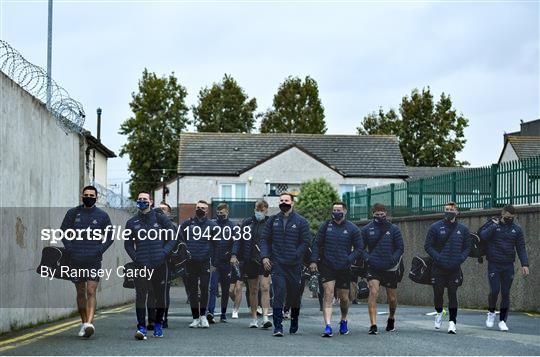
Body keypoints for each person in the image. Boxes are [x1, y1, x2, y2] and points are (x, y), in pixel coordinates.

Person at [60, 185, 114, 338]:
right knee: (80, 292)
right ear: (82, 196)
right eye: (86, 194)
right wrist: (70, 248)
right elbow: (63, 232)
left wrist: (99, 250)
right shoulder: (72, 213)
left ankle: (90, 323)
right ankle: (84, 323)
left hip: (94, 260)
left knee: (91, 291)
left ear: (96, 198)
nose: (88, 197)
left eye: (91, 195)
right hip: (75, 259)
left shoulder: (102, 215)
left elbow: (110, 237)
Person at [125, 192, 177, 339]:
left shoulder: (160, 219)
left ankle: (158, 325)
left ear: (151, 202)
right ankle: (141, 327)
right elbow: (128, 244)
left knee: (160, 297)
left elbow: (172, 238)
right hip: (141, 265)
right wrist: (136, 258)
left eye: (145, 199)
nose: (142, 201)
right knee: (141, 295)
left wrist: (163, 253)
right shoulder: (132, 222)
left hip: (159, 264)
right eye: (139, 199)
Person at [260, 193, 311, 337]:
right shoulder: (272, 220)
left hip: (295, 265)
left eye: (286, 200)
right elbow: (264, 239)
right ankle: (278, 327)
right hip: (278, 264)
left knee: (294, 296)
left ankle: (294, 321)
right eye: (281, 200)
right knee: (279, 294)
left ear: (292, 203)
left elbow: (305, 242)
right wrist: (264, 257)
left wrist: (296, 254)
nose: (284, 203)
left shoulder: (301, 221)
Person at [310, 202, 363, 337]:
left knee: (344, 298)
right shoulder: (325, 226)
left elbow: (359, 248)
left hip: (344, 267)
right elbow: (316, 243)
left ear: (345, 211)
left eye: (338, 210)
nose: (336, 212)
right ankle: (327, 326)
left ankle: (343, 320)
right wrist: (314, 260)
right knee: (328, 293)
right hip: (328, 266)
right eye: (334, 210)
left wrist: (349, 259)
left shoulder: (353, 228)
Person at [480, 204, 529, 331]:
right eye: (507, 217)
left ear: (515, 216)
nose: (509, 219)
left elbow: (521, 248)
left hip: (508, 265)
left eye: (512, 217)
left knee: (506, 293)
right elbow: (483, 236)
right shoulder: (493, 225)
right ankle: (491, 312)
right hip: (494, 264)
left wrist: (525, 264)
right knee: (495, 290)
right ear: (502, 214)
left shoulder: (516, 230)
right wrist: (495, 225)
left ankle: (502, 320)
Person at [424, 202, 471, 334]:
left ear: (457, 212)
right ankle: (439, 312)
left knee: (452, 294)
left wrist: (460, 258)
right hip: (438, 267)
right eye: (446, 209)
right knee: (438, 294)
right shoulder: (435, 227)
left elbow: (467, 247)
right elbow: (428, 246)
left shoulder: (463, 229)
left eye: (451, 209)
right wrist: (437, 257)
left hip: (454, 268)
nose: (448, 211)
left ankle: (452, 323)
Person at [361, 203, 404, 335]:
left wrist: (393, 259)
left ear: (386, 213)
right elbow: (361, 248)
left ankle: (391, 318)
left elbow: (400, 248)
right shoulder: (367, 229)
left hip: (390, 267)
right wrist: (368, 259)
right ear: (372, 214)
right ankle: (373, 324)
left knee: (391, 298)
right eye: (377, 214)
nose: (379, 216)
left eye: (382, 213)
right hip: (373, 267)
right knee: (373, 292)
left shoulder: (394, 229)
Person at [232, 200, 273, 329]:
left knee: (265, 287)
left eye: (262, 210)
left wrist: (271, 256)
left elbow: (273, 241)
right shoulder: (247, 222)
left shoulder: (270, 223)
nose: (259, 212)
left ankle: (265, 317)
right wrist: (234, 254)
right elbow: (238, 239)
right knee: (253, 290)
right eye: (257, 210)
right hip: (250, 259)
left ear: (266, 210)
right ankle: (254, 318)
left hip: (264, 259)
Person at [180, 200, 218, 328]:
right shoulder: (187, 224)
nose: (200, 209)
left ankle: (203, 316)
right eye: (198, 207)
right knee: (192, 291)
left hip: (205, 262)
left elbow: (216, 244)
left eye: (203, 208)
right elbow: (180, 241)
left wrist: (213, 261)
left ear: (207, 211)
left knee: (204, 288)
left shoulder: (212, 225)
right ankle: (195, 318)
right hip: (190, 262)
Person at [207, 203, 236, 324]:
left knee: (225, 290)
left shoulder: (232, 226)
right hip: (215, 262)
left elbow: (236, 242)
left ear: (227, 212)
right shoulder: (213, 225)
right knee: (213, 288)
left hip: (227, 262)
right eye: (218, 213)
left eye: (222, 213)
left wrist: (233, 255)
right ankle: (210, 313)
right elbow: (208, 241)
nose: (220, 215)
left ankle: (223, 313)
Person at [157, 202, 175, 328]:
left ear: (169, 213)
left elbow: (176, 242)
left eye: (164, 209)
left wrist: (164, 253)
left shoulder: (171, 227)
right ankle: (152, 318)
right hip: (150, 262)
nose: (161, 211)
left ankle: (164, 317)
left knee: (163, 292)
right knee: (151, 292)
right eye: (159, 209)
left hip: (166, 263)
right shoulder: (150, 225)